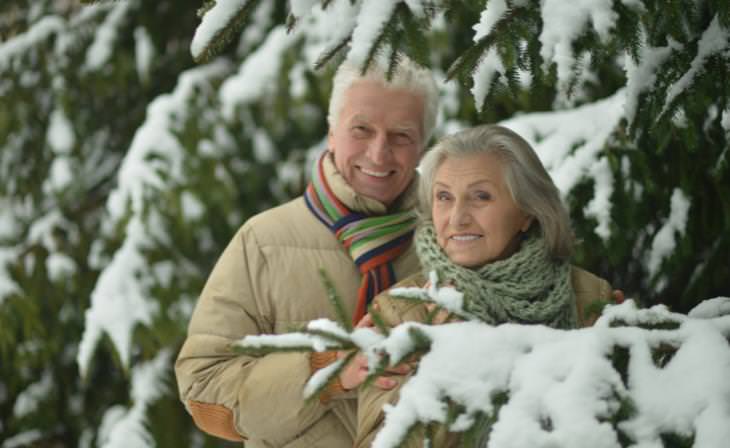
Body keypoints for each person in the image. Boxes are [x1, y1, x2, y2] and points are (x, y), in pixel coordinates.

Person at [174, 56, 439, 447]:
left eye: (401, 136)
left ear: (423, 147)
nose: (379, 153)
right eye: (361, 130)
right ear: (332, 132)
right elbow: (204, 393)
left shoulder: (452, 246)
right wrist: (328, 372)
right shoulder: (262, 242)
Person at [355, 124, 616, 447]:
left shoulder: (590, 296)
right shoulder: (399, 313)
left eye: (481, 196)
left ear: (527, 212)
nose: (457, 217)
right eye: (444, 197)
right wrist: (448, 365)